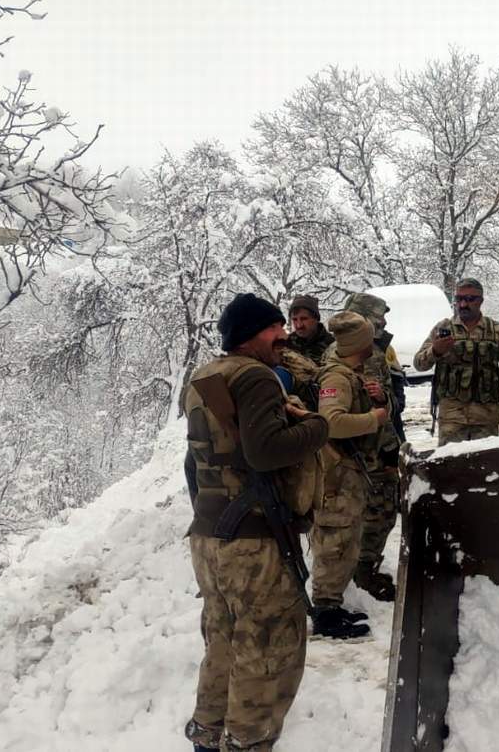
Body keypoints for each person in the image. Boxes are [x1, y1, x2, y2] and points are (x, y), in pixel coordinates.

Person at [181, 293, 330, 752]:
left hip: (209, 537)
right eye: (275, 329)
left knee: (223, 639)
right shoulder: (256, 376)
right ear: (253, 333)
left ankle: (208, 734)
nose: (284, 337)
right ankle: (247, 743)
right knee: (267, 651)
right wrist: (318, 427)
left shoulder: (203, 377)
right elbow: (264, 452)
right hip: (254, 545)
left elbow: (193, 464)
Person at [309, 311, 391, 637]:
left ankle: (332, 604)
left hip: (349, 472)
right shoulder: (337, 379)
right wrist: (374, 418)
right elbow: (331, 422)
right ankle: (325, 611)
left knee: (346, 542)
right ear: (361, 343)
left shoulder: (353, 374)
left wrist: (378, 400)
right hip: (336, 475)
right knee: (334, 542)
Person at [336, 292, 406, 601]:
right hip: (364, 450)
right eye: (378, 319)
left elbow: (392, 400)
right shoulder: (343, 356)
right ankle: (360, 573)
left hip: (380, 445)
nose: (384, 324)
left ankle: (362, 568)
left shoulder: (379, 352)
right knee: (377, 512)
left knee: (383, 510)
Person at [413, 278, 499, 446]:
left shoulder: (497, 331)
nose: (463, 304)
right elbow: (419, 364)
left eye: (470, 299)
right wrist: (435, 351)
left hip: (486, 417)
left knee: (486, 467)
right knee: (451, 469)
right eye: (459, 299)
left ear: (481, 301)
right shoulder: (443, 328)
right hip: (452, 418)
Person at [281, 294, 334, 410]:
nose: (299, 325)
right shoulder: (286, 343)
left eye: (304, 319)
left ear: (316, 318)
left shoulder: (332, 345)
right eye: (295, 320)